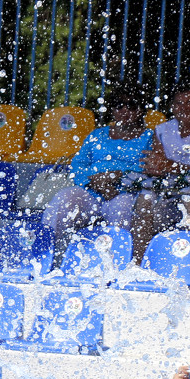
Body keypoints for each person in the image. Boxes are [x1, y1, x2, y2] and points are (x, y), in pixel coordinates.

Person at [43, 88, 155, 258]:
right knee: (63, 199)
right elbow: (77, 165)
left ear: (141, 110)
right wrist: (93, 181)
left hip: (124, 193)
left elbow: (148, 170)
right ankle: (47, 256)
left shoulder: (150, 137)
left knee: (123, 207)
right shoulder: (97, 134)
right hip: (90, 189)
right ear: (112, 109)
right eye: (119, 105)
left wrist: (118, 176)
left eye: (131, 105)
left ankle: (117, 263)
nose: (125, 110)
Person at [131, 81, 190, 263]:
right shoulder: (162, 130)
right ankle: (138, 264)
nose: (184, 108)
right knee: (144, 201)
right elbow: (155, 167)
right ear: (172, 106)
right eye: (178, 103)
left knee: (189, 200)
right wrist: (159, 168)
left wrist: (170, 166)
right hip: (170, 189)